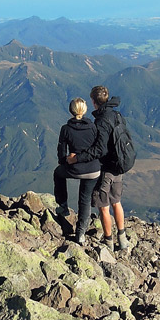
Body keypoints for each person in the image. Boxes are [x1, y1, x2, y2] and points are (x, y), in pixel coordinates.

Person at [67, 85, 129, 250]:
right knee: (117, 202)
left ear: (94, 102)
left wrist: (78, 158)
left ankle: (108, 241)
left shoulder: (101, 121)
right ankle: (122, 239)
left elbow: (99, 149)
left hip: (107, 168)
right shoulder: (116, 114)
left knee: (103, 206)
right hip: (119, 165)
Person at [53, 98, 101, 243]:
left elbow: (61, 150)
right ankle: (81, 234)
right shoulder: (93, 127)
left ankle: (63, 206)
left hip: (74, 167)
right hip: (93, 169)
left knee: (58, 173)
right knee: (84, 199)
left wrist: (65, 161)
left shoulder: (66, 129)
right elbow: (96, 148)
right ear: (84, 110)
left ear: (71, 110)